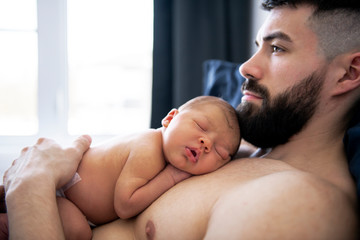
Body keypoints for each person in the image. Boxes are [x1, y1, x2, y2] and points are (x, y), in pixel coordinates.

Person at [3, 0, 360, 239]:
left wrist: (31, 188)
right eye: (257, 46)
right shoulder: (237, 154)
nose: (246, 67)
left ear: (348, 73)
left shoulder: (298, 204)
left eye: (278, 48)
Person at [0, 95, 241, 239]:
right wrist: (171, 177)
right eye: (200, 126)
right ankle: (8, 224)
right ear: (169, 119)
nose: (206, 143)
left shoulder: (160, 150)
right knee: (79, 233)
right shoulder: (149, 148)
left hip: (71, 196)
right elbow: (125, 205)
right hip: (65, 191)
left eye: (220, 152)